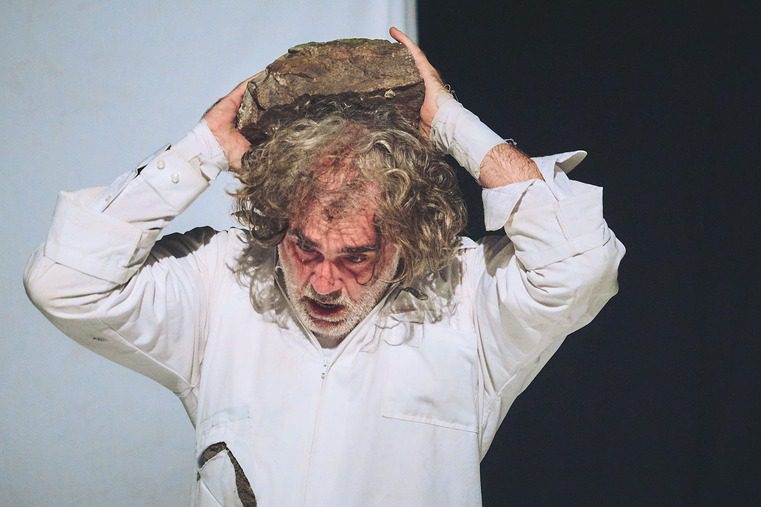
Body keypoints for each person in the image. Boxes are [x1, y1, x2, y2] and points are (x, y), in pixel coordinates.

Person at [24, 27, 625, 506]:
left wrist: (450, 122)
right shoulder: (222, 282)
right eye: (305, 248)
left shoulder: (468, 297)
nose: (323, 282)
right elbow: (66, 282)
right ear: (279, 221)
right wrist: (201, 149)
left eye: (356, 255)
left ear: (407, 236)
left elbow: (581, 264)